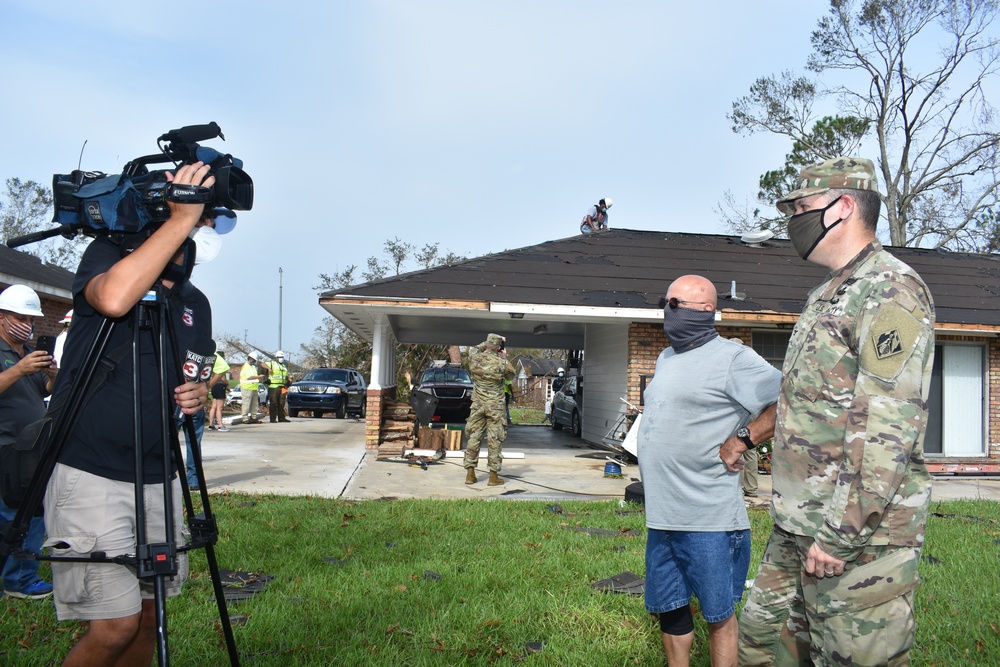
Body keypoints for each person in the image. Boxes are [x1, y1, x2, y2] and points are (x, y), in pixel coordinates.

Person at [739, 158, 936, 666]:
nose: (794, 221)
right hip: (797, 524)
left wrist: (842, 534)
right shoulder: (827, 293)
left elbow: (886, 430)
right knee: (761, 645)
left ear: (843, 207)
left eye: (802, 208)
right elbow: (802, 402)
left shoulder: (891, 290)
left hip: (854, 540)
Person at [42, 161, 215, 665]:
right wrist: (178, 221)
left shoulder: (194, 301)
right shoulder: (109, 256)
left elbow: (192, 369)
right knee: (115, 627)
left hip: (160, 474)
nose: (206, 225)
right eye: (203, 215)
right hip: (93, 469)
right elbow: (116, 299)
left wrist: (197, 392)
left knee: (148, 619)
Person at [638, 275, 780, 667]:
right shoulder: (667, 357)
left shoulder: (734, 358)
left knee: (719, 614)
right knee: (671, 607)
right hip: (662, 515)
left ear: (705, 311)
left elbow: (789, 400)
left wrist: (742, 440)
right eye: (665, 303)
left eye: (674, 304)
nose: (667, 312)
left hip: (709, 519)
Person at [0, 284, 57, 600]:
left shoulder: (26, 352)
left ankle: (18, 576)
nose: (27, 324)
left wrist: (52, 375)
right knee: (17, 513)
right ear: (1, 317)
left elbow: (44, 390)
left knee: (30, 510)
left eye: (31, 319)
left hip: (30, 446)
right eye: (20, 317)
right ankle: (19, 579)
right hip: (6, 445)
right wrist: (19, 369)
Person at [463, 333, 515, 486]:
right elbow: (511, 375)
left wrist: (488, 342)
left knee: (474, 437)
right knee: (495, 438)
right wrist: (503, 356)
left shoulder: (474, 357)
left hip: (478, 404)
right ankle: (493, 476)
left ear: (486, 344)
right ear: (499, 347)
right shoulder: (501, 362)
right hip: (495, 407)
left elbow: (474, 348)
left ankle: (470, 474)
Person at [263, 350, 290, 423]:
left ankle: (281, 418)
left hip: (283, 386)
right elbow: (262, 364)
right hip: (273, 386)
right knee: (274, 403)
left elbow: (285, 376)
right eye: (280, 357)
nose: (281, 358)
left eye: (282, 357)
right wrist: (269, 368)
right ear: (276, 357)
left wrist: (289, 380)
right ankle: (273, 418)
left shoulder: (284, 366)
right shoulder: (272, 363)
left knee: (282, 403)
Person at [207, 352, 230, 432]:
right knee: (219, 408)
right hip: (220, 386)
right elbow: (223, 378)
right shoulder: (221, 365)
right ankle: (220, 425)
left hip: (214, 386)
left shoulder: (212, 364)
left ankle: (211, 424)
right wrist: (228, 385)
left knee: (213, 407)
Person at [240, 352, 264, 424]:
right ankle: (244, 418)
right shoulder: (246, 366)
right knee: (246, 403)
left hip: (253, 387)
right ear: (250, 359)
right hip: (247, 388)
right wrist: (259, 377)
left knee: (254, 404)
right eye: (254, 360)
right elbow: (249, 377)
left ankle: (254, 417)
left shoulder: (253, 367)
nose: (255, 362)